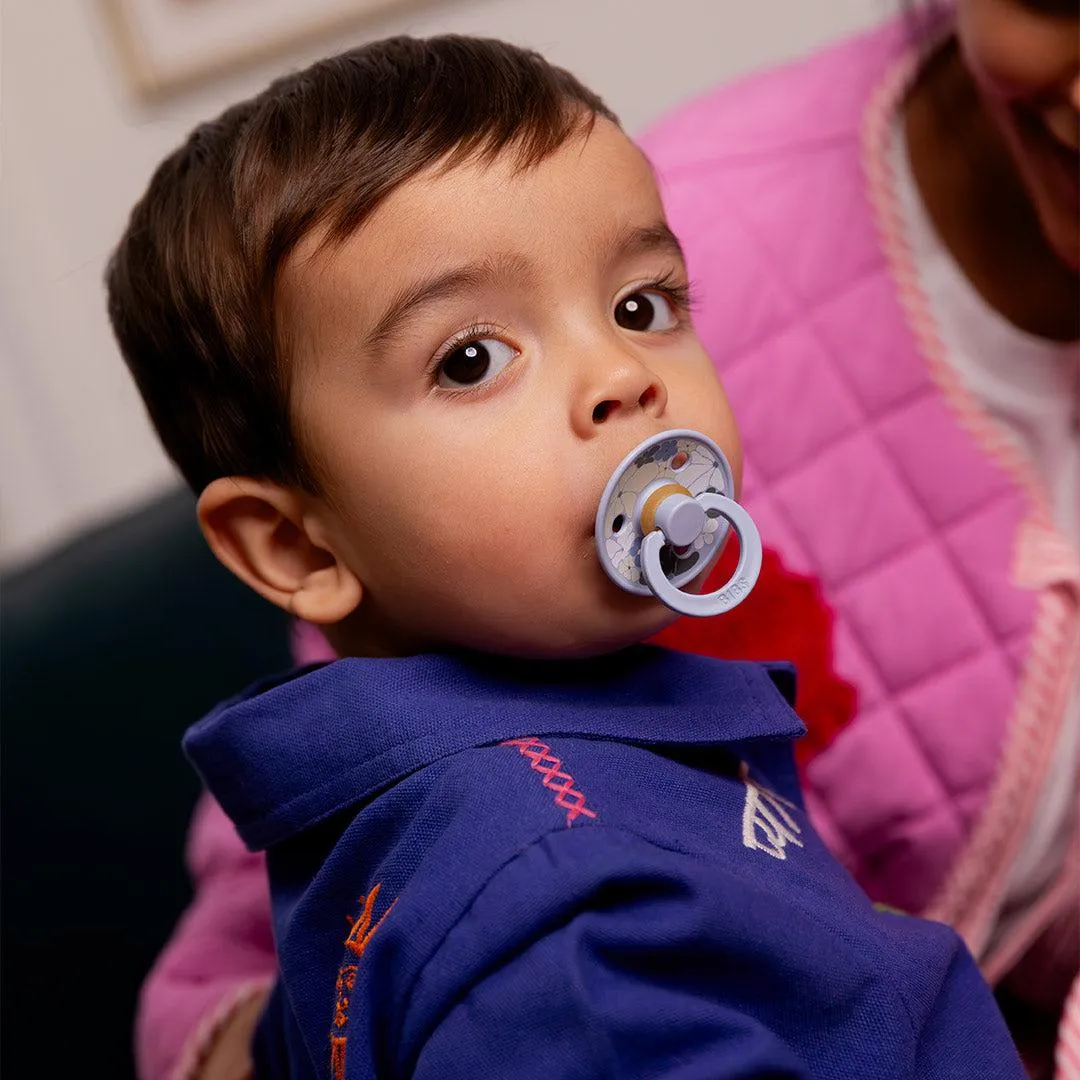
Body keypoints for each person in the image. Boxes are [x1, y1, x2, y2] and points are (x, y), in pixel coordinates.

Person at [133, 3, 1080, 1079]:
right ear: (297, 551)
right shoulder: (559, 922)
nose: (625, 376)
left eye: (643, 304)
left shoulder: (606, 720)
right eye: (474, 360)